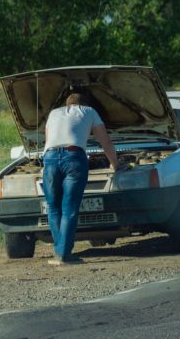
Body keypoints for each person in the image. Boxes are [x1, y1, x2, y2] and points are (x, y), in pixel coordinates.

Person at [42, 92, 122, 266]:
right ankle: (64, 254)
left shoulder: (54, 113)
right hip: (73, 157)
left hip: (50, 158)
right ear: (83, 103)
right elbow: (105, 142)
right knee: (69, 208)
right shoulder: (89, 111)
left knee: (53, 206)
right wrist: (115, 164)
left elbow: (48, 140)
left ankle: (60, 252)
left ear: (67, 104)